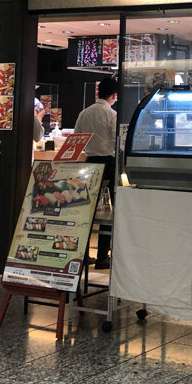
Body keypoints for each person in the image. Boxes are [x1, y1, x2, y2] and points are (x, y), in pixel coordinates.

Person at [75, 77, 118, 270]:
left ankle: (82, 255)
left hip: (89, 164)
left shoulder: (84, 113)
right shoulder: (112, 114)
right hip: (108, 163)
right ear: (114, 95)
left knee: (86, 209)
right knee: (109, 210)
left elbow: (77, 138)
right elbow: (117, 142)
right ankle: (102, 257)